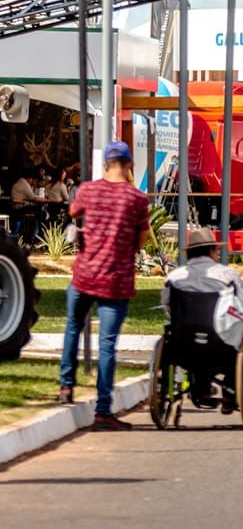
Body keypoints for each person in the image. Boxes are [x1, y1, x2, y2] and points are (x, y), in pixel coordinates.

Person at [57, 141, 150, 431]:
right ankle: (102, 411)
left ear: (106, 164)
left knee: (73, 327)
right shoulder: (137, 198)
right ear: (129, 165)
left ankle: (65, 386)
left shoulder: (88, 190)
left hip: (84, 275)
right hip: (116, 279)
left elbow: (73, 212)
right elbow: (141, 238)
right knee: (107, 344)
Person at [160, 228, 243, 412]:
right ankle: (230, 390)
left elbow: (167, 306)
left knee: (194, 335)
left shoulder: (175, 278)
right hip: (221, 345)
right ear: (211, 251)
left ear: (190, 253)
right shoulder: (227, 276)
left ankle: (201, 388)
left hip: (183, 345)